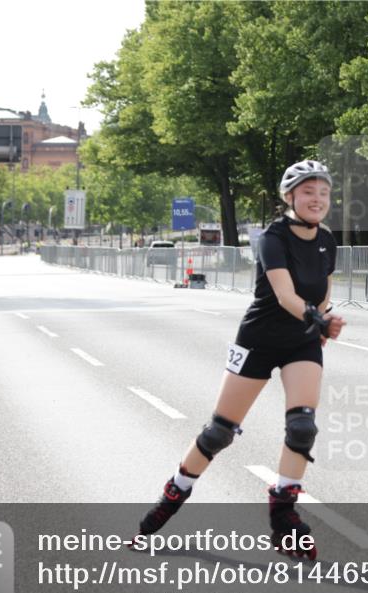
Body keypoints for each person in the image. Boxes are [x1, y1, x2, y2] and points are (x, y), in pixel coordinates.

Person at [135, 159, 346, 559]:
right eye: (307, 192)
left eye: (323, 193)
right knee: (220, 432)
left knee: (303, 427)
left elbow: (322, 292)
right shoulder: (273, 237)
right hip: (259, 338)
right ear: (290, 197)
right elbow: (285, 296)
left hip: (301, 341)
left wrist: (325, 319)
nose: (317, 200)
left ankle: (283, 517)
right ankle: (171, 497)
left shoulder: (327, 240)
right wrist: (318, 317)